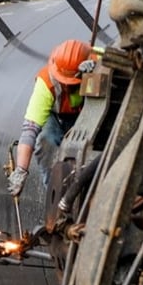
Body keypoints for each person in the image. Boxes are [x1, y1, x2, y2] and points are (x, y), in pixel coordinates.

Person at [7, 39, 97, 198]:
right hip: (56, 118)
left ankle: (90, 192)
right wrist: (21, 170)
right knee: (46, 139)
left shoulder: (98, 62)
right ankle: (55, 195)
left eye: (72, 82)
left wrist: (99, 73)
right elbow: (29, 130)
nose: (67, 85)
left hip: (89, 115)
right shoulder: (47, 82)